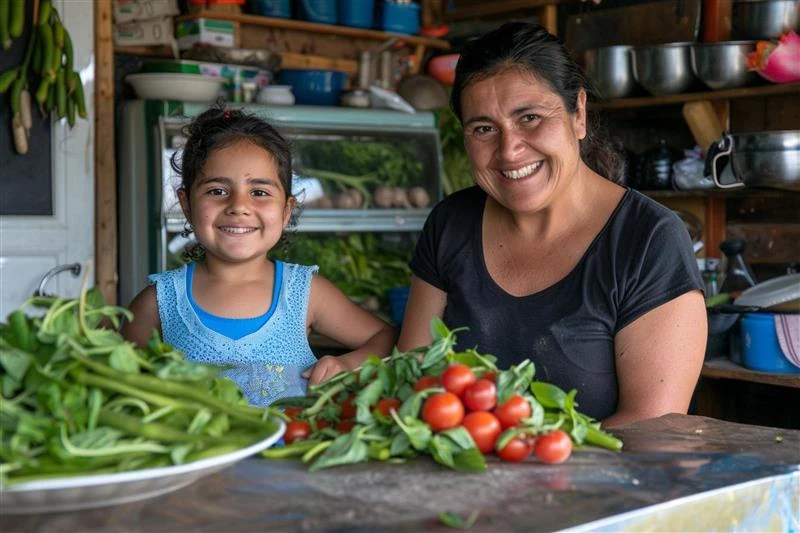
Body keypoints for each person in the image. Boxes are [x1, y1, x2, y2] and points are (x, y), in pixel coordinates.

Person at [398, 22, 707, 427]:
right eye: (484, 128)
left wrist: (514, 461)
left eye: (529, 117)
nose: (509, 151)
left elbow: (649, 427)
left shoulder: (648, 239)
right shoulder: (451, 222)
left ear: (577, 113)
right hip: (456, 482)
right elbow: (410, 376)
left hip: (598, 488)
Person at [122, 106, 396, 407]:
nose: (239, 206)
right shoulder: (158, 301)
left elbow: (386, 336)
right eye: (216, 191)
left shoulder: (305, 292)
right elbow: (120, 383)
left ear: (287, 209)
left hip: (293, 451)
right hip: (200, 454)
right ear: (186, 204)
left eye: (260, 193)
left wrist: (347, 365)